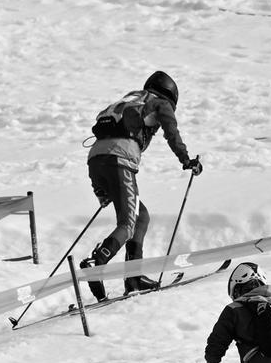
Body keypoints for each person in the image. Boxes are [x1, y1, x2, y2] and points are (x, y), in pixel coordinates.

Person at [81, 70, 201, 301]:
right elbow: (172, 132)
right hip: (119, 161)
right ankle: (97, 262)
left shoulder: (129, 99)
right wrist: (186, 160)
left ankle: (133, 277)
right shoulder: (160, 103)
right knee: (128, 224)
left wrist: (101, 190)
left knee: (141, 216)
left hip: (96, 161)